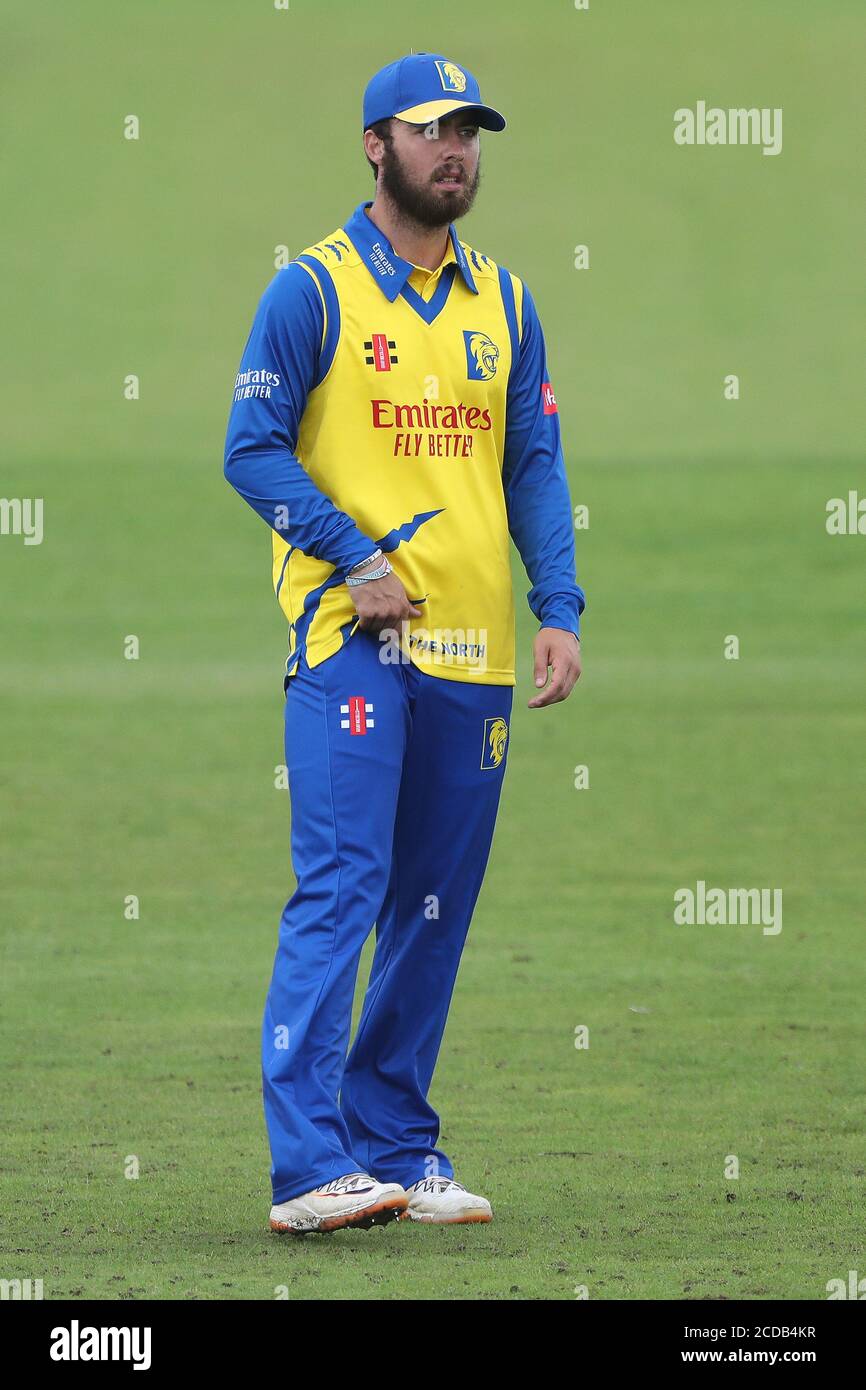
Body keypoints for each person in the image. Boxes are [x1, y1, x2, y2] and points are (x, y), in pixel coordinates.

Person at [224, 51, 585, 1235]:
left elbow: (530, 463)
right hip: (352, 643)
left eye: (470, 133)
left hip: (474, 659)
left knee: (432, 908)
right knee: (344, 888)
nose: (456, 152)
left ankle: (394, 1145)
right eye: (431, 132)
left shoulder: (506, 302)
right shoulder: (312, 289)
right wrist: (356, 558)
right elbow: (251, 450)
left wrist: (557, 609)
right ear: (374, 145)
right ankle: (305, 1168)